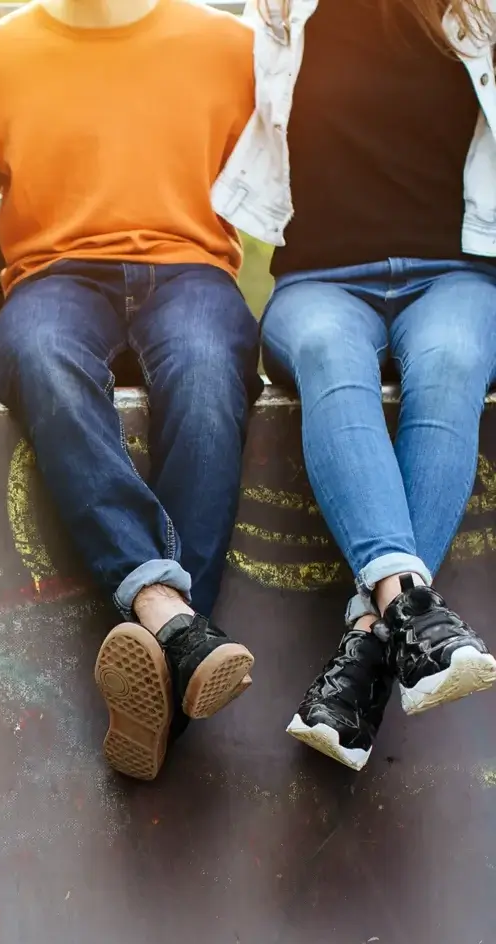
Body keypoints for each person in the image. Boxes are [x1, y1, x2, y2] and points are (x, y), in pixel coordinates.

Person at [0, 0, 261, 781]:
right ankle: (173, 621)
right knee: (38, 354)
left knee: (209, 371)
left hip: (190, 271)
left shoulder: (233, 47)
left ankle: (162, 658)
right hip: (57, 278)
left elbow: (305, 168)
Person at [213, 0, 496, 771]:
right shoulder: (282, 14)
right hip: (319, 282)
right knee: (332, 360)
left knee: (451, 363)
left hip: (458, 273)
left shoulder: (476, 20)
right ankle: (411, 615)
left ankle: (369, 649)